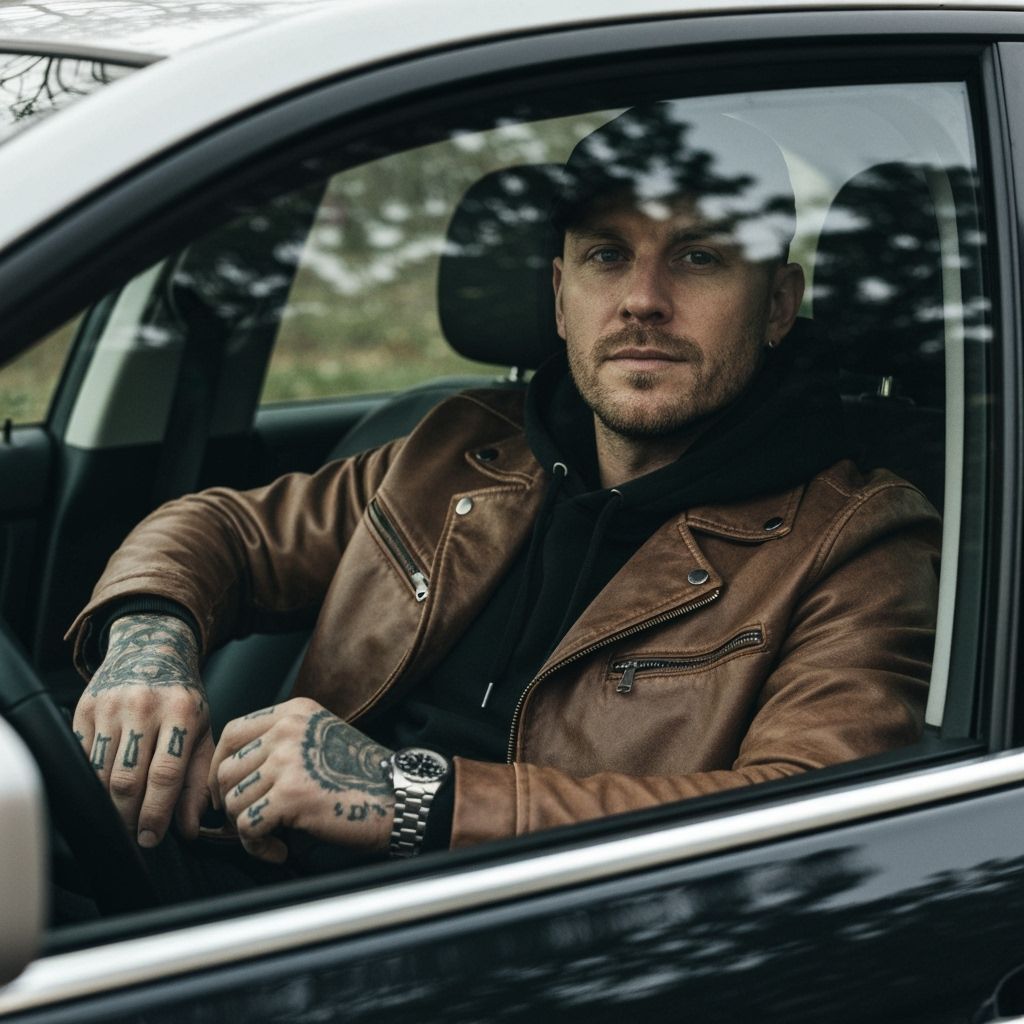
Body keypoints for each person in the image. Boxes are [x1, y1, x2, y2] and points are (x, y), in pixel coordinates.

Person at [67, 104, 940, 870]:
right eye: (606, 255)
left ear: (779, 305)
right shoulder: (460, 445)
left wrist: (414, 798)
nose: (642, 299)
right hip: (266, 883)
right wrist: (150, 648)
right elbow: (224, 530)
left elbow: (805, 825)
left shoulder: (858, 541)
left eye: (699, 257)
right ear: (561, 298)